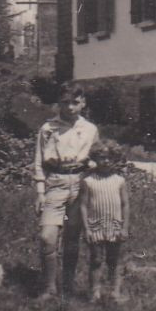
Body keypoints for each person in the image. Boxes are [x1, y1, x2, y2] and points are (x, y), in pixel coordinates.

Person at [33, 82, 98, 298]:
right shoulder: (48, 129)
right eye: (65, 103)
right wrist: (41, 192)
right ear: (58, 103)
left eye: (75, 103)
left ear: (83, 103)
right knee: (47, 237)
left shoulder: (90, 129)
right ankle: (49, 286)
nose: (70, 108)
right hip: (56, 182)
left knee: (72, 238)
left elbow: (96, 158)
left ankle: (67, 285)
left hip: (81, 183)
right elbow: (39, 162)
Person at [79, 140, 130, 302]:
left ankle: (115, 291)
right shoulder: (88, 181)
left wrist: (124, 227)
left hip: (114, 226)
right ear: (95, 158)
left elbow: (125, 204)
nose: (106, 161)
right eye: (102, 158)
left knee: (114, 259)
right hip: (95, 226)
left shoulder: (119, 181)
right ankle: (94, 292)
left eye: (109, 158)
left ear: (115, 159)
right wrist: (86, 229)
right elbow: (83, 205)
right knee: (96, 259)